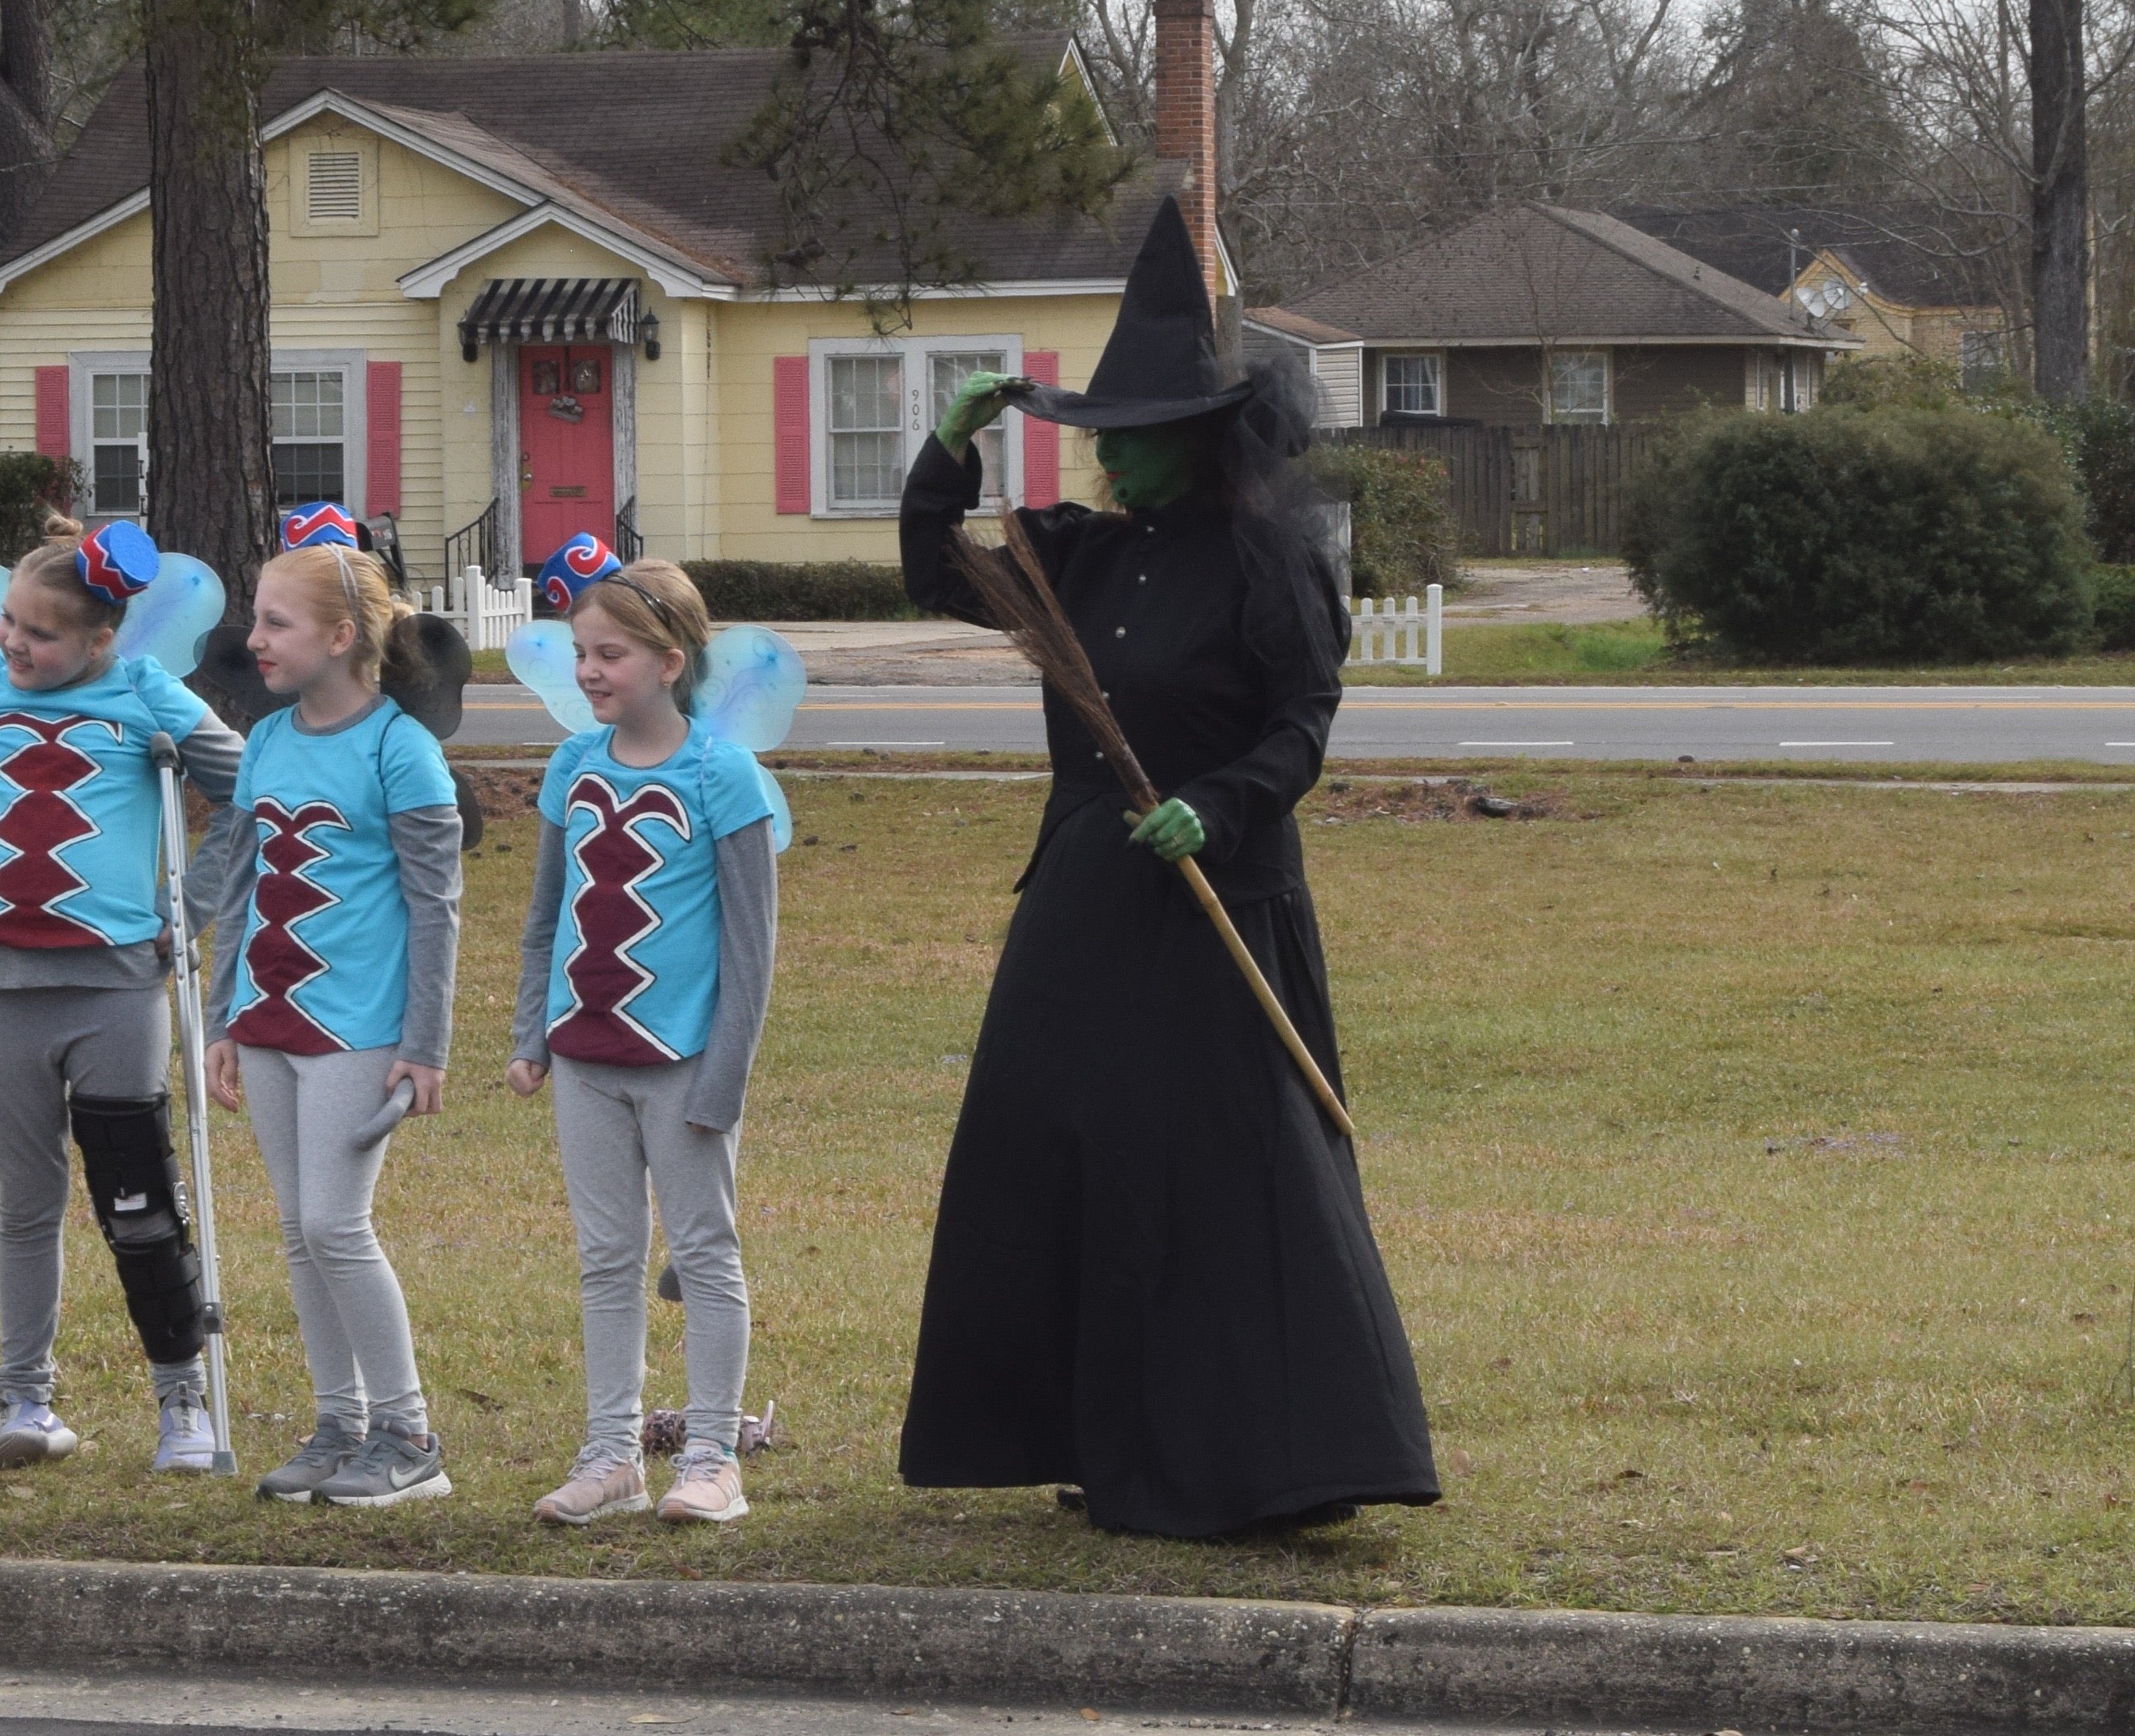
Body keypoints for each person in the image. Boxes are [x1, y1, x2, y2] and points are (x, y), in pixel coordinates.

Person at [891, 207, 1439, 1538]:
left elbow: (1302, 723)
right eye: (1096, 433)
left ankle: (1266, 1461)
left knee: (1220, 1171)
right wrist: (949, 447)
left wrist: (1220, 804)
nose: (1106, 454)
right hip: (1084, 902)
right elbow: (931, 572)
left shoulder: (1272, 564)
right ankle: (1088, 1437)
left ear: (1195, 434)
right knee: (1067, 1153)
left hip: (1218, 900)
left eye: (1127, 434)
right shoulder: (1075, 553)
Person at [0, 514, 244, 1471]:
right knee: (25, 1200)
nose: (14, 642)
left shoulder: (148, 694)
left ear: (102, 638)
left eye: (41, 634)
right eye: (9, 622)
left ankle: (184, 1403)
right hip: (1, 977)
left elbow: (251, 794)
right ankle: (26, 1399)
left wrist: (196, 906)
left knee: (135, 1198)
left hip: (116, 981)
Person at [504, 547, 773, 1526]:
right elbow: (546, 917)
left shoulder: (724, 774)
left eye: (609, 653)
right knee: (607, 1257)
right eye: (580, 652)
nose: (588, 672)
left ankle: (712, 1456)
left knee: (705, 1252)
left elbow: (753, 950)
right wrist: (532, 1030)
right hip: (585, 1056)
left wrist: (723, 1082)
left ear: (670, 658)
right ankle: (612, 1454)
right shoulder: (572, 767)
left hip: (685, 1062)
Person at [203, 510, 462, 1504]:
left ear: (342, 638)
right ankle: (338, 1423)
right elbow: (241, 880)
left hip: (360, 1028)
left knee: (337, 1223)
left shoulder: (401, 750)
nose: (255, 641)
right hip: (269, 1020)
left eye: (275, 624)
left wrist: (425, 1044)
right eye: (256, 622)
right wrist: (226, 1016)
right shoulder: (265, 741)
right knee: (298, 1228)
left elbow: (436, 908)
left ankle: (409, 1434)